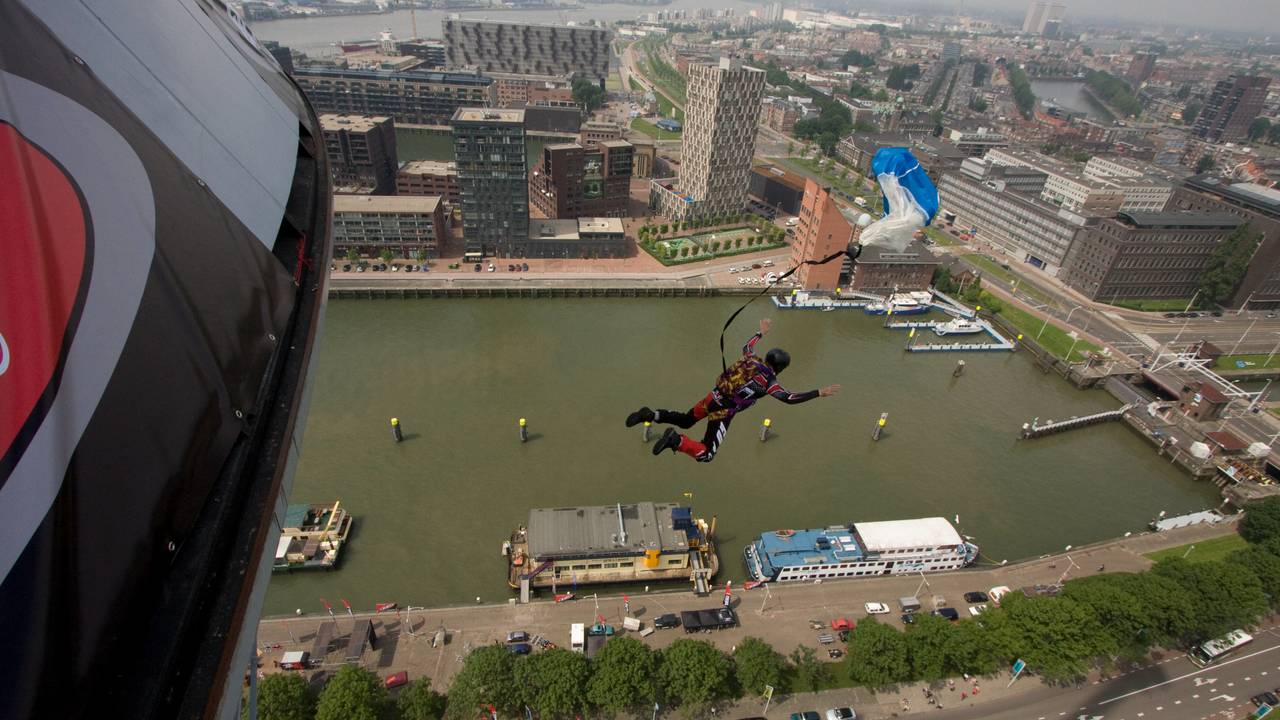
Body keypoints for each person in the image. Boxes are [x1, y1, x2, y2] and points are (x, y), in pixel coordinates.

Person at [625, 318, 840, 462]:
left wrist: (761, 332)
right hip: (723, 411)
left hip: (713, 397)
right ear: (781, 368)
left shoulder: (751, 359)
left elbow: (747, 347)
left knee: (686, 419)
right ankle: (676, 441)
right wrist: (818, 392)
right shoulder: (769, 382)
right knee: (707, 454)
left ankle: (650, 414)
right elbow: (789, 398)